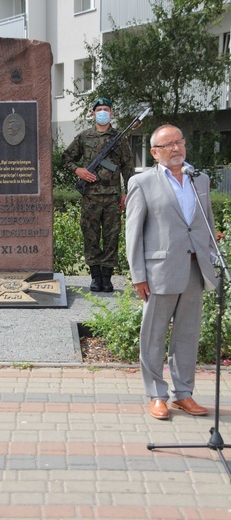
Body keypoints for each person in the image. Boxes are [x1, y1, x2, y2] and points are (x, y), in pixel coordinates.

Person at [125, 124, 217, 420]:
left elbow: (206, 222)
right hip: (160, 270)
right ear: (154, 152)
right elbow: (133, 232)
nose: (176, 148)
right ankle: (156, 395)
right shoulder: (142, 182)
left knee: (187, 334)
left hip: (194, 267)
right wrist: (138, 274)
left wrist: (212, 256)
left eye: (179, 142)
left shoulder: (199, 179)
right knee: (153, 335)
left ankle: (183, 394)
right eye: (168, 145)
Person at [62, 97, 134, 292]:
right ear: (93, 114)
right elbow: (66, 158)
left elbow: (128, 167)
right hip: (91, 197)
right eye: (99, 109)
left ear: (111, 113)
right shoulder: (84, 137)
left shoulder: (119, 139)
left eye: (106, 109)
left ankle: (107, 277)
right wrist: (79, 171)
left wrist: (128, 193)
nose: (102, 112)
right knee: (91, 235)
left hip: (112, 196)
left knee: (111, 236)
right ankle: (95, 277)